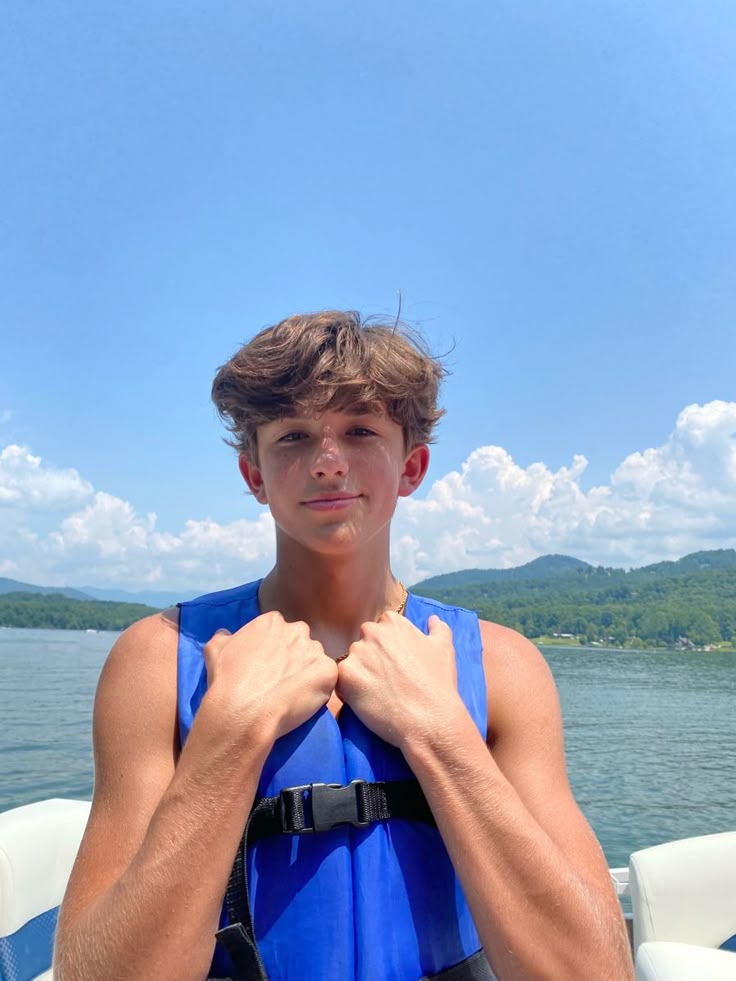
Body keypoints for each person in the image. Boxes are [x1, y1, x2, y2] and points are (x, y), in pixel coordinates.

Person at [54, 310, 633, 980]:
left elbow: (595, 973)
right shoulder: (157, 662)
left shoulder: (503, 668)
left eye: (360, 430)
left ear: (411, 465)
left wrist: (441, 733)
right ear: (255, 476)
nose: (328, 462)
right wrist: (231, 735)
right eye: (295, 435)